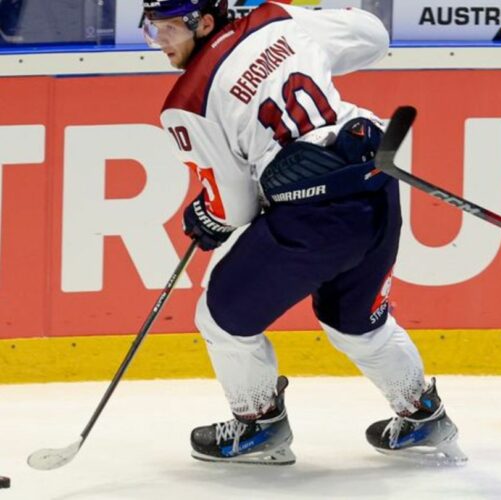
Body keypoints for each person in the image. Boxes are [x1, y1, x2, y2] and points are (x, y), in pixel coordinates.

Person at [142, 0, 465, 466]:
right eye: (153, 31)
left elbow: (234, 206)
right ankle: (422, 413)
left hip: (314, 214)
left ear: (205, 22)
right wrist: (304, 50)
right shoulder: (275, 17)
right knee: (355, 321)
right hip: (375, 177)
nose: (160, 43)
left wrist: (208, 217)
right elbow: (373, 36)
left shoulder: (186, 102)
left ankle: (258, 424)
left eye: (167, 29)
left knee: (222, 318)